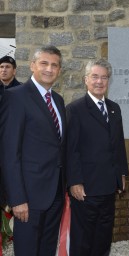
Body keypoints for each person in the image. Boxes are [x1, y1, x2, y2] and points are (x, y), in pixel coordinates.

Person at [0, 45, 66, 256]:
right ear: (32, 66)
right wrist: (17, 198)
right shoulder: (15, 97)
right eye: (44, 63)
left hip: (55, 193)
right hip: (28, 197)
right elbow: (9, 152)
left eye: (54, 65)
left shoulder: (58, 100)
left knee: (47, 249)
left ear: (59, 70)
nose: (49, 69)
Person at [66, 59, 129, 256]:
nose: (99, 81)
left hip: (109, 186)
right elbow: (70, 149)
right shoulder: (75, 109)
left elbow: (118, 144)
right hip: (86, 188)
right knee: (83, 238)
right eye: (95, 77)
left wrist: (122, 174)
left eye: (104, 77)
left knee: (103, 236)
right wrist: (74, 181)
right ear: (86, 80)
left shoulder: (114, 108)